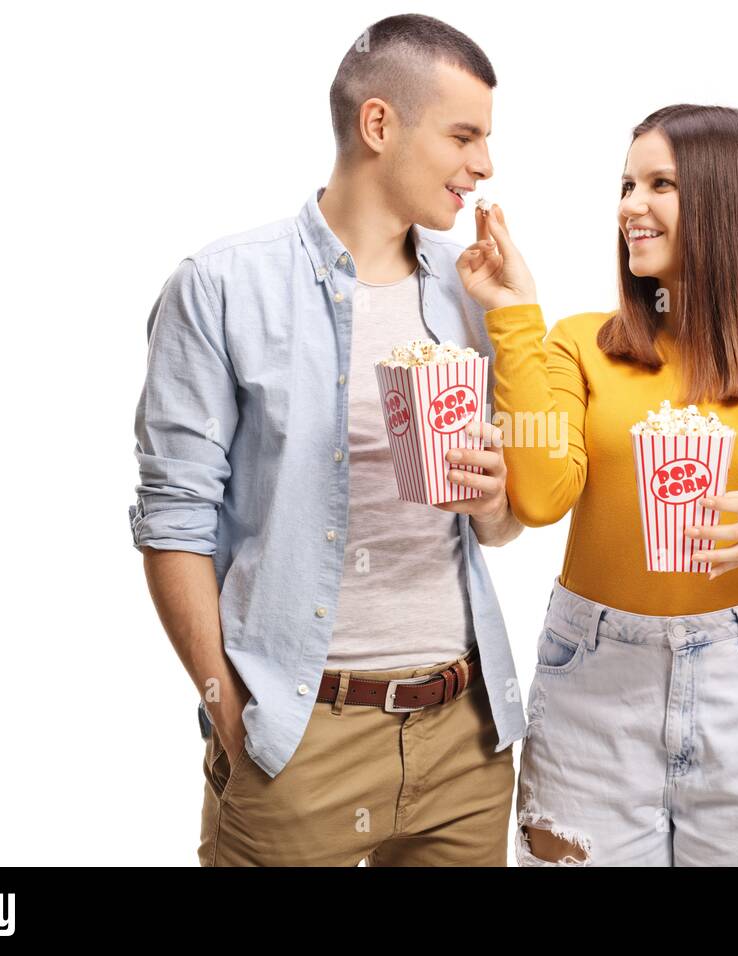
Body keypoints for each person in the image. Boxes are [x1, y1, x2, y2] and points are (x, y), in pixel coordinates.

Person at [128, 14, 525, 866]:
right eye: (464, 135)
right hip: (297, 739)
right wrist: (229, 716)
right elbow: (173, 521)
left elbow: (499, 524)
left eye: (487, 138)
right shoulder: (223, 286)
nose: (484, 164)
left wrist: (496, 499)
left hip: (466, 735)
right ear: (379, 125)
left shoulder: (471, 290)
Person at [457, 104, 738, 865]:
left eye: (659, 185)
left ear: (728, 203)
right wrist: (515, 313)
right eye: (625, 184)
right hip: (593, 683)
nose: (628, 206)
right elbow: (543, 498)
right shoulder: (581, 343)